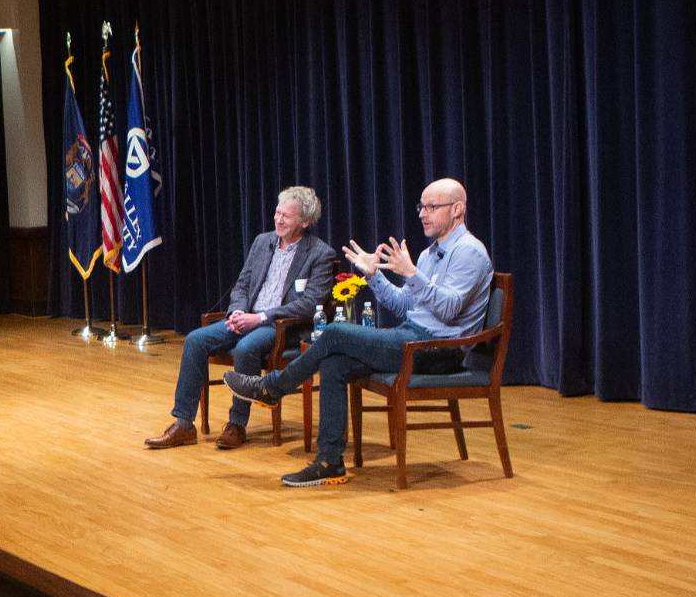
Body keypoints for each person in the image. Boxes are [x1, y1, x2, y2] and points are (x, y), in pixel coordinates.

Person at [225, 178, 494, 487]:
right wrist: (373, 275)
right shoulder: (428, 255)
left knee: (336, 333)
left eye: (432, 207)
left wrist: (412, 275)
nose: (422, 214)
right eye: (421, 207)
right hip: (412, 337)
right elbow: (404, 305)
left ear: (458, 209)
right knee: (334, 363)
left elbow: (449, 309)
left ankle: (272, 388)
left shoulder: (470, 252)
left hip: (440, 350)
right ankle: (330, 461)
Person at [144, 186, 337, 451]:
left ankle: (237, 424)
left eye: (287, 217)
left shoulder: (319, 253)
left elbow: (309, 304)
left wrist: (259, 317)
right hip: (245, 316)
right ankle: (184, 424)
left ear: (304, 221)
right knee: (195, 340)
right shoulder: (262, 242)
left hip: (279, 326)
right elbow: (243, 284)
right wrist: (236, 310)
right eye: (277, 213)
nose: (279, 220)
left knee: (246, 348)